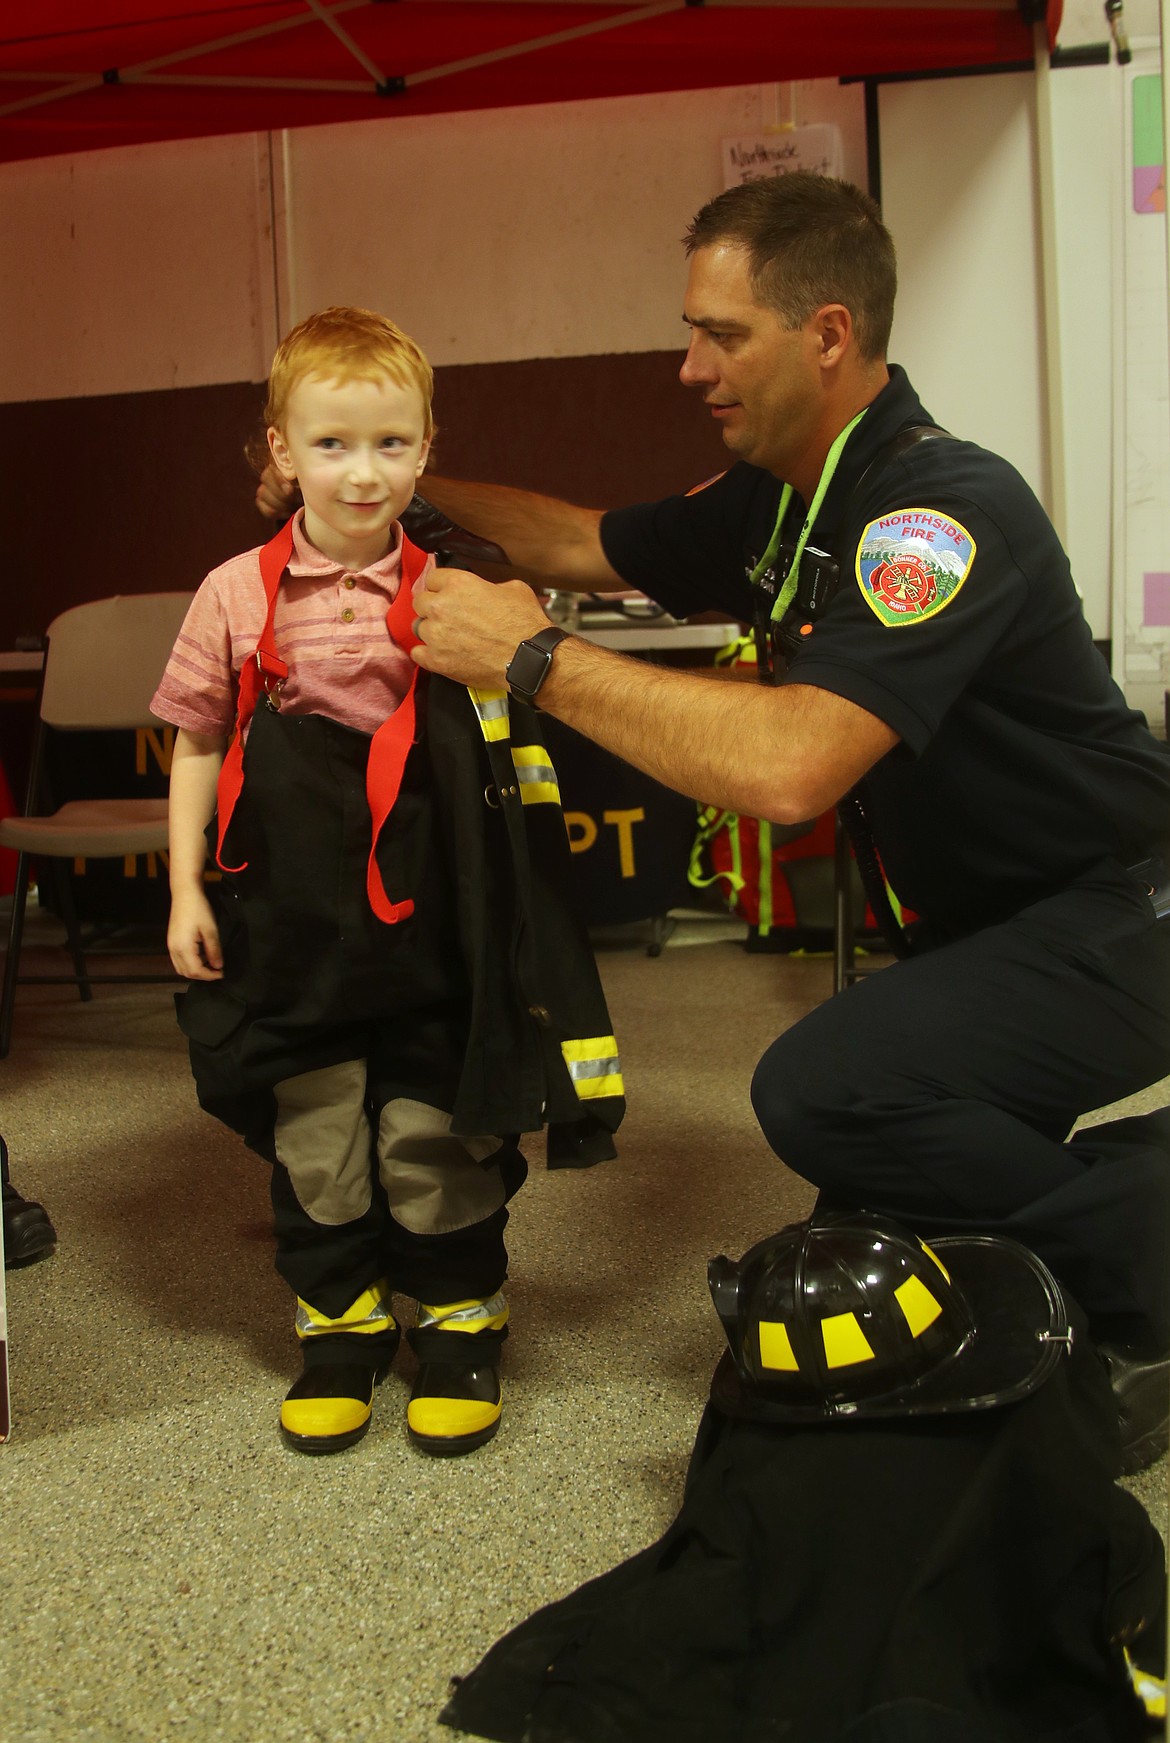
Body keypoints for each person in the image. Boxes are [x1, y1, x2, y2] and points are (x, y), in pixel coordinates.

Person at [360, 175, 1170, 1472]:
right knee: (881, 1197)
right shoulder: (783, 498)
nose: (689, 367)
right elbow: (578, 542)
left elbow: (793, 766)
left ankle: (1143, 1260)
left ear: (827, 335)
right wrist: (389, 480)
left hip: (1123, 908)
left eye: (719, 334)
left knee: (828, 1088)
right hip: (998, 925)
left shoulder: (933, 510)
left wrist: (530, 658)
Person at [154, 306, 622, 1459]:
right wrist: (182, 891)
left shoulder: (464, 588)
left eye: (391, 445)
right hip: (296, 914)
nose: (362, 473)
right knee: (318, 1121)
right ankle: (340, 1326)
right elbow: (200, 743)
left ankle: (460, 1318)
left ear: (425, 446)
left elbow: (516, 737)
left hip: (439, 900)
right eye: (331, 444)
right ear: (279, 451)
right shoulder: (235, 594)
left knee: (430, 1113)